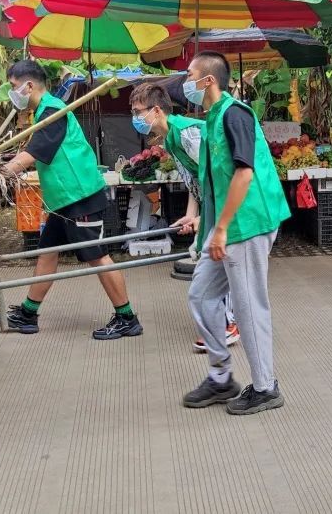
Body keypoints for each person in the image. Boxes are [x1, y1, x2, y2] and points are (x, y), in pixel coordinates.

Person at [0, 60, 142, 340]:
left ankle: (127, 318)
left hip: (80, 196)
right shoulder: (42, 112)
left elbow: (32, 154)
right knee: (48, 252)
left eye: (13, 86)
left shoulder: (53, 112)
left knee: (97, 256)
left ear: (29, 86)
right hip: (62, 201)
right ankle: (28, 314)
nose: (12, 92)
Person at [180, 51, 291, 415]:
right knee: (201, 295)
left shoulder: (235, 114)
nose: (186, 82)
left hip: (248, 223)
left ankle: (265, 387)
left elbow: (244, 173)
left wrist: (222, 228)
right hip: (227, 225)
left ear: (208, 80)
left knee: (247, 305)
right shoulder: (212, 118)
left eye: (190, 75)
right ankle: (220, 377)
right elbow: (219, 180)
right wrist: (207, 222)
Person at [128, 81, 241, 351]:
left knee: (218, 264)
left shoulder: (187, 133)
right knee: (213, 264)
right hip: (214, 203)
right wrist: (192, 215)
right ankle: (224, 324)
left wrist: (208, 217)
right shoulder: (170, 138)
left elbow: (221, 176)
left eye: (137, 112)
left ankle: (228, 325)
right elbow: (196, 180)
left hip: (232, 202)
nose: (135, 118)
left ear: (156, 110)